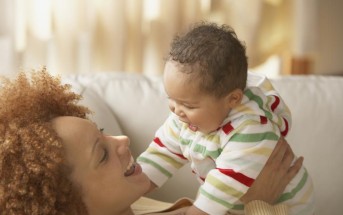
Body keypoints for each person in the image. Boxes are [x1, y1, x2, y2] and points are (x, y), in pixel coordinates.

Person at [0, 68, 303, 215]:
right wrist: (259, 202)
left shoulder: (132, 203)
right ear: (69, 206)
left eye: (103, 131)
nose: (121, 139)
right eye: (102, 154)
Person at [137, 22, 315, 215]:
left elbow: (222, 186)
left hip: (288, 208)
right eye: (171, 98)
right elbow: (160, 154)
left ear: (232, 99)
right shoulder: (183, 119)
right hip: (239, 205)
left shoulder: (251, 127)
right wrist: (129, 189)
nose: (176, 110)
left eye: (188, 105)